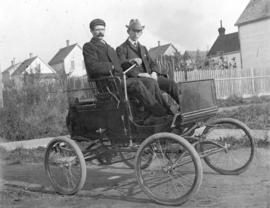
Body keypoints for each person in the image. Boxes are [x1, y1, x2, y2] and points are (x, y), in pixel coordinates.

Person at [82, 18, 169, 117]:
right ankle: (161, 113)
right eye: (97, 30)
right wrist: (112, 66)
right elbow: (92, 67)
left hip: (120, 80)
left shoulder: (109, 48)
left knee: (150, 81)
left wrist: (130, 61)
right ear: (92, 31)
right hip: (108, 83)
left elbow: (119, 64)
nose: (100, 32)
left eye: (102, 29)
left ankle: (161, 112)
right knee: (137, 83)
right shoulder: (89, 47)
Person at [116, 19, 180, 106]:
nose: (136, 34)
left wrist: (154, 72)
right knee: (152, 85)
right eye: (133, 31)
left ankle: (184, 108)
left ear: (141, 33)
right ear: (128, 31)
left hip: (151, 77)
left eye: (139, 31)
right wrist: (139, 74)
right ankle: (166, 112)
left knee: (171, 84)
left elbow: (153, 63)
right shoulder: (121, 48)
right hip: (138, 80)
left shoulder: (143, 48)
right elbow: (123, 65)